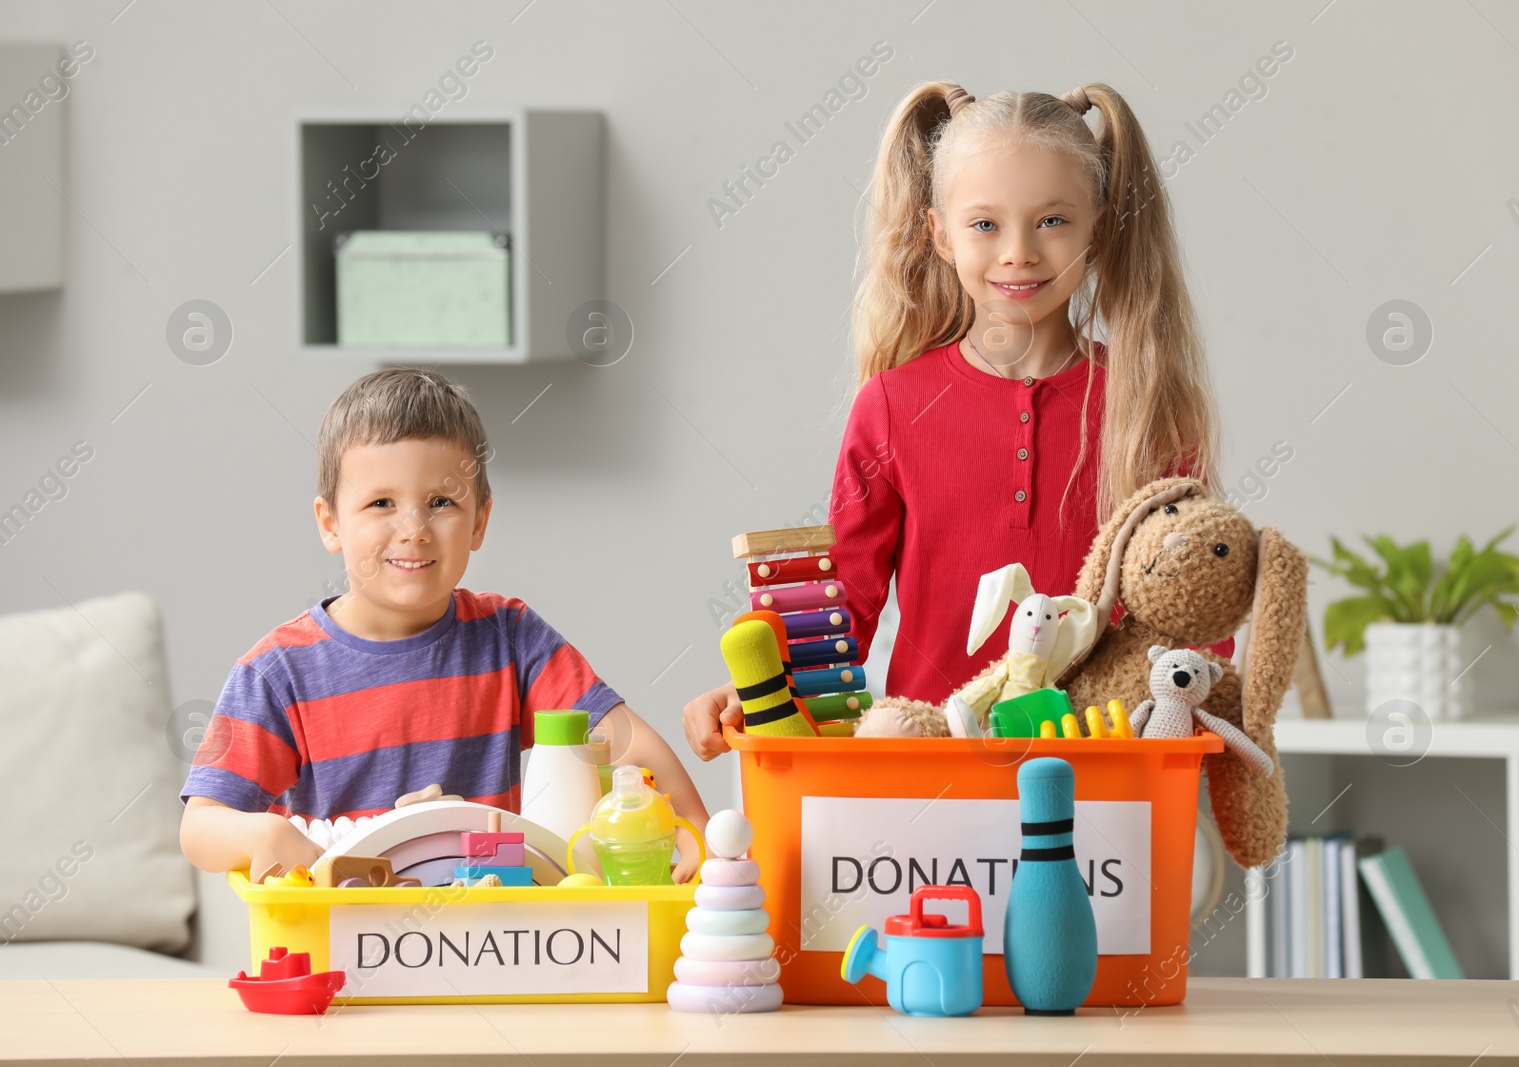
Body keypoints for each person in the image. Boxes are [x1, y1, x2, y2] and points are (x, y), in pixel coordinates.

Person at [684, 81, 1224, 757]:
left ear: (1101, 224)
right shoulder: (890, 404)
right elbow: (839, 609)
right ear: (938, 234)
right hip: (927, 764)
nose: (1018, 251)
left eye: (1052, 221)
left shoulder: (1149, 405)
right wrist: (756, 690)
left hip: (1109, 764)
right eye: (985, 224)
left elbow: (1201, 596)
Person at [180, 369, 707, 881]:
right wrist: (263, 838)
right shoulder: (277, 673)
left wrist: (695, 835)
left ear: (479, 521)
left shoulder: (510, 638)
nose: (413, 530)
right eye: (381, 503)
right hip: (345, 941)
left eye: (441, 503)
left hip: (493, 941)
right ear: (331, 523)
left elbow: (627, 747)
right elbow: (200, 826)